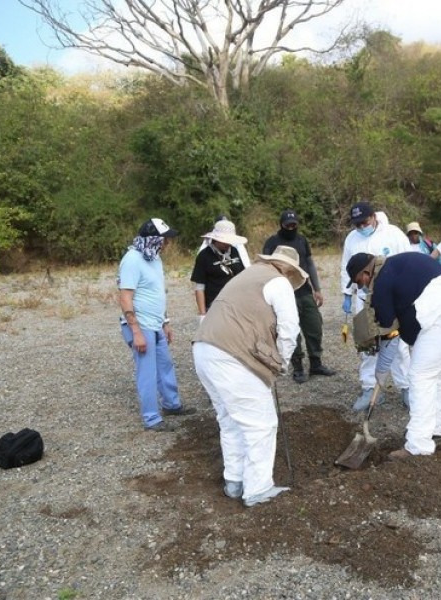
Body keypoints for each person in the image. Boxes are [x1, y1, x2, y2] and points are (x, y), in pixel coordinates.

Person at [192, 246, 306, 507]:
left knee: (230, 419)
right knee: (261, 424)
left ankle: (234, 481)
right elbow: (289, 328)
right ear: (288, 270)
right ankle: (257, 489)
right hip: (232, 355)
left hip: (204, 349)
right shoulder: (279, 281)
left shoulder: (247, 275)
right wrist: (282, 364)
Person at [345, 251, 441, 459]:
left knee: (420, 376)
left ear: (366, 272)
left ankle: (418, 444)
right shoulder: (396, 266)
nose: (362, 286)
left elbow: (389, 332)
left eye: (359, 281)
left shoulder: (382, 281)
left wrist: (380, 372)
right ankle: (434, 429)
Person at [118, 217, 195, 432]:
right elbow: (125, 297)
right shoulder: (132, 260)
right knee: (147, 371)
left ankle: (171, 405)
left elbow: (157, 293)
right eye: (165, 239)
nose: (167, 244)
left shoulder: (154, 258)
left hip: (156, 323)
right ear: (153, 239)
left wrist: (166, 322)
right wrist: (136, 332)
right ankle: (152, 418)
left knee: (165, 364)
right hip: (140, 325)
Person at [340, 201, 412, 410]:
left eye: (364, 222)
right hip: (363, 298)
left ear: (374, 217)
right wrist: (346, 294)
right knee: (367, 344)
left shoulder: (394, 234)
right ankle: (370, 387)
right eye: (356, 224)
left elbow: (408, 261)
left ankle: (405, 387)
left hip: (392, 297)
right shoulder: (352, 238)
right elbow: (346, 267)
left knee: (398, 344)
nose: (361, 227)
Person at [263, 209, 336, 384]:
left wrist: (317, 288)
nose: (291, 227)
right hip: (284, 294)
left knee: (314, 327)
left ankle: (316, 363)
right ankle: (297, 368)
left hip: (304, 290)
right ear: (281, 224)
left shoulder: (302, 240)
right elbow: (265, 268)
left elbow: (309, 263)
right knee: (291, 330)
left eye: (294, 224)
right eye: (288, 225)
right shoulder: (272, 242)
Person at [191, 218, 248, 320]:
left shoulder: (234, 251)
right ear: (216, 239)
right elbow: (199, 287)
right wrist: (202, 315)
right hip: (215, 307)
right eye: (224, 241)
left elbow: (242, 277)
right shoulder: (204, 256)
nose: (227, 244)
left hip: (236, 305)